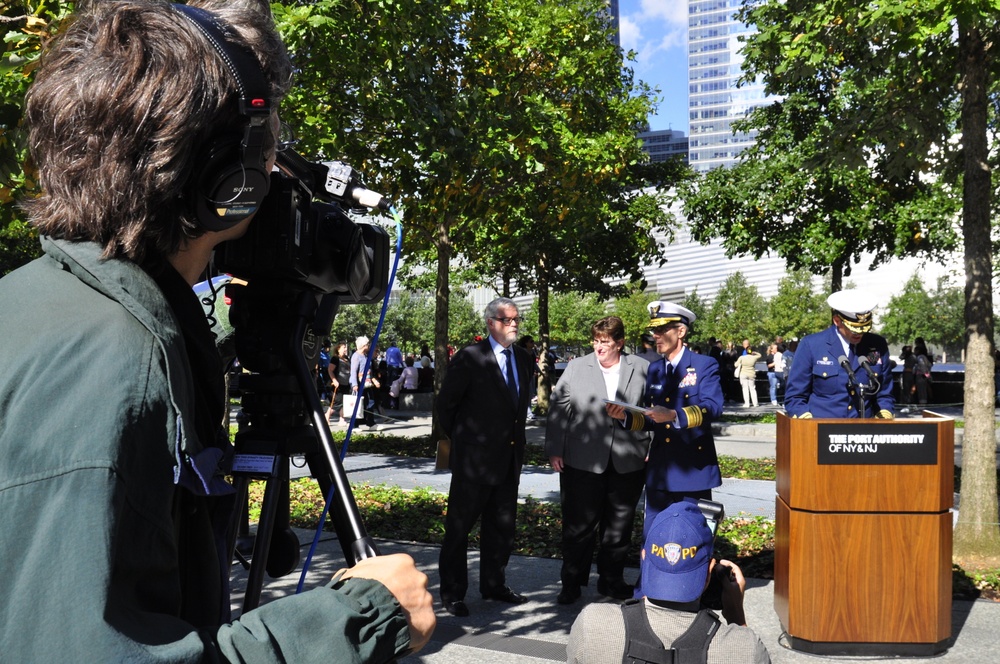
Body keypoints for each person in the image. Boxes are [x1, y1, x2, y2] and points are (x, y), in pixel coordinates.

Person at [0, 2, 434, 660]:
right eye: (268, 153)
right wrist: (357, 619)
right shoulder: (120, 362)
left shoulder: (35, 303)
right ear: (224, 178)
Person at [567, 501, 771, 664]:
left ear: (644, 558)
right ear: (709, 572)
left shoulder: (592, 623)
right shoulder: (745, 648)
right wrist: (736, 614)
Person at [436, 297, 533, 617]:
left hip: (508, 461)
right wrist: (463, 445)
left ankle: (493, 584)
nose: (515, 324)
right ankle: (452, 592)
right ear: (491, 323)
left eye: (517, 319)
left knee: (501, 528)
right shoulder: (469, 357)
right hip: (473, 463)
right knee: (459, 530)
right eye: (508, 320)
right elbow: (446, 407)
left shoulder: (523, 357)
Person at [544, 316, 651, 604]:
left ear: (620, 342)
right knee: (578, 526)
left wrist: (652, 444)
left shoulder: (642, 368)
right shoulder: (577, 367)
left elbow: (653, 412)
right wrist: (555, 449)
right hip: (582, 459)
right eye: (595, 340)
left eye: (605, 341)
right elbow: (558, 409)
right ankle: (572, 582)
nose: (599, 346)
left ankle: (611, 581)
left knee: (618, 527)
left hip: (628, 459)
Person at [606, 302, 724, 538]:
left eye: (662, 330)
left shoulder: (703, 365)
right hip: (660, 470)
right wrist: (626, 418)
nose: (655, 336)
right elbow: (651, 419)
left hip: (692, 469)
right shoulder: (655, 369)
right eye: (654, 330)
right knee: (655, 537)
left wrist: (673, 415)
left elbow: (713, 407)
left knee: (693, 539)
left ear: (681, 332)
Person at [784, 289, 894, 419]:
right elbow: (795, 397)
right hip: (823, 429)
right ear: (837, 320)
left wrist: (884, 414)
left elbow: (884, 393)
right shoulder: (812, 345)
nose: (859, 333)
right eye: (853, 329)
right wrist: (807, 423)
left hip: (864, 430)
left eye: (863, 328)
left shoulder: (877, 345)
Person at [349, 335, 380, 429]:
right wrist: (354, 384)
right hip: (358, 384)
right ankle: (354, 425)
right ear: (363, 345)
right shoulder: (356, 356)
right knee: (357, 404)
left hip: (367, 383)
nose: (368, 345)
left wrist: (373, 380)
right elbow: (353, 371)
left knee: (370, 402)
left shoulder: (366, 356)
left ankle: (371, 423)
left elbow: (369, 370)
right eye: (367, 344)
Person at [326, 342, 351, 425]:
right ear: (338, 349)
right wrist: (334, 380)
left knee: (344, 402)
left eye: (346, 347)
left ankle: (341, 419)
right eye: (344, 347)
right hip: (338, 384)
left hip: (346, 384)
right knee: (337, 402)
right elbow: (330, 370)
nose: (345, 349)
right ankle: (326, 416)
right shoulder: (335, 358)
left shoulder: (347, 358)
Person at [734, 340, 761, 408]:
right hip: (752, 374)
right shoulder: (754, 358)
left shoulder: (742, 357)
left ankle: (747, 403)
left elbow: (735, 365)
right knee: (752, 388)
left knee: (745, 389)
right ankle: (755, 403)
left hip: (743, 374)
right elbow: (760, 355)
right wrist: (754, 352)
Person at [913, 341, 933, 406]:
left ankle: (922, 404)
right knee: (922, 390)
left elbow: (923, 366)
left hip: (921, 375)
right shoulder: (924, 357)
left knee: (921, 390)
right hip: (923, 375)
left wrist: (925, 374)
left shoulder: (920, 357)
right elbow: (929, 365)